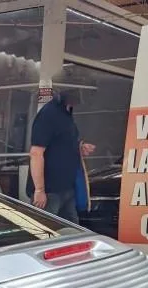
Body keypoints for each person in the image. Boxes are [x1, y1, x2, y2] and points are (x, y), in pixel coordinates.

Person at [26, 90, 95, 222]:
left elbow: (60, 144)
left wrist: (79, 147)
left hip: (67, 188)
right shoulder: (49, 114)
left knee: (71, 231)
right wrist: (39, 190)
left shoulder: (66, 113)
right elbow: (36, 153)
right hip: (50, 191)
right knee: (45, 231)